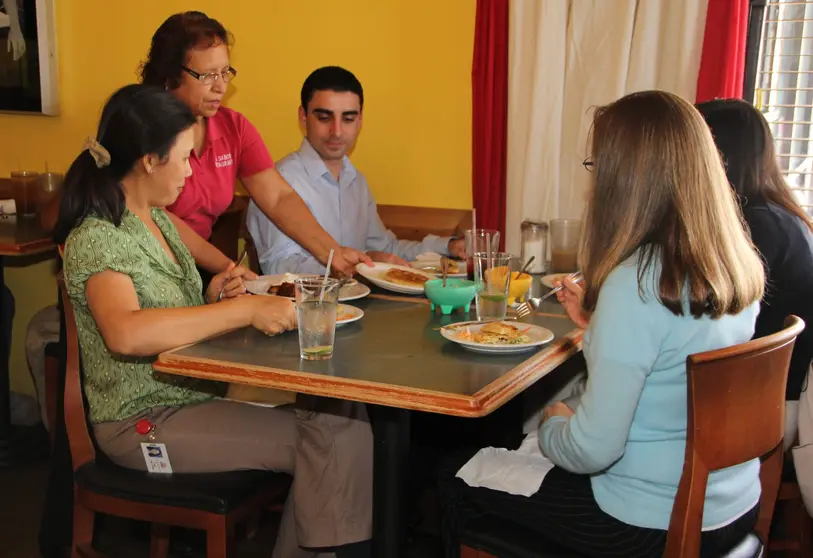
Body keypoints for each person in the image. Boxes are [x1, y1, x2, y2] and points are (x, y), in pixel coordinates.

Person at [440, 91, 766, 558]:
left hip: (643, 522)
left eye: (598, 167)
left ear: (626, 180)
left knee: (454, 473)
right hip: (728, 507)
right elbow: (667, 363)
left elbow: (592, 451)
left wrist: (551, 425)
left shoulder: (634, 283)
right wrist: (598, 326)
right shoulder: (730, 266)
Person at [54, 84, 372, 558]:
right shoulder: (100, 237)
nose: (191, 169)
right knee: (328, 437)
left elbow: (168, 308)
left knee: (342, 420)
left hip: (191, 399)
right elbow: (125, 331)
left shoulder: (156, 220)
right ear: (149, 160)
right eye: (185, 157)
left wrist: (213, 292)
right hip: (142, 423)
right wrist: (240, 310)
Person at [139, 12, 371, 284]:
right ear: (169, 77)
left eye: (225, 73)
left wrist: (333, 253)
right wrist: (226, 266)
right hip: (147, 267)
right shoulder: (140, 127)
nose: (221, 86)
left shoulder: (233, 127)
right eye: (207, 75)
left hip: (197, 269)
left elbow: (277, 198)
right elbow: (157, 218)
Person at [246, 66, 465, 275]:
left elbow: (387, 248)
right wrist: (359, 263)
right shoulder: (279, 181)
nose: (337, 131)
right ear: (303, 116)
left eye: (348, 118)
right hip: (301, 311)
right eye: (324, 117)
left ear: (360, 120)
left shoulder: (357, 181)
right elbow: (278, 267)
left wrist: (448, 246)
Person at [697, 99, 813, 447]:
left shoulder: (753, 228)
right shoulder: (778, 214)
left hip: (761, 407)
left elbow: (704, 320)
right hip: (779, 393)